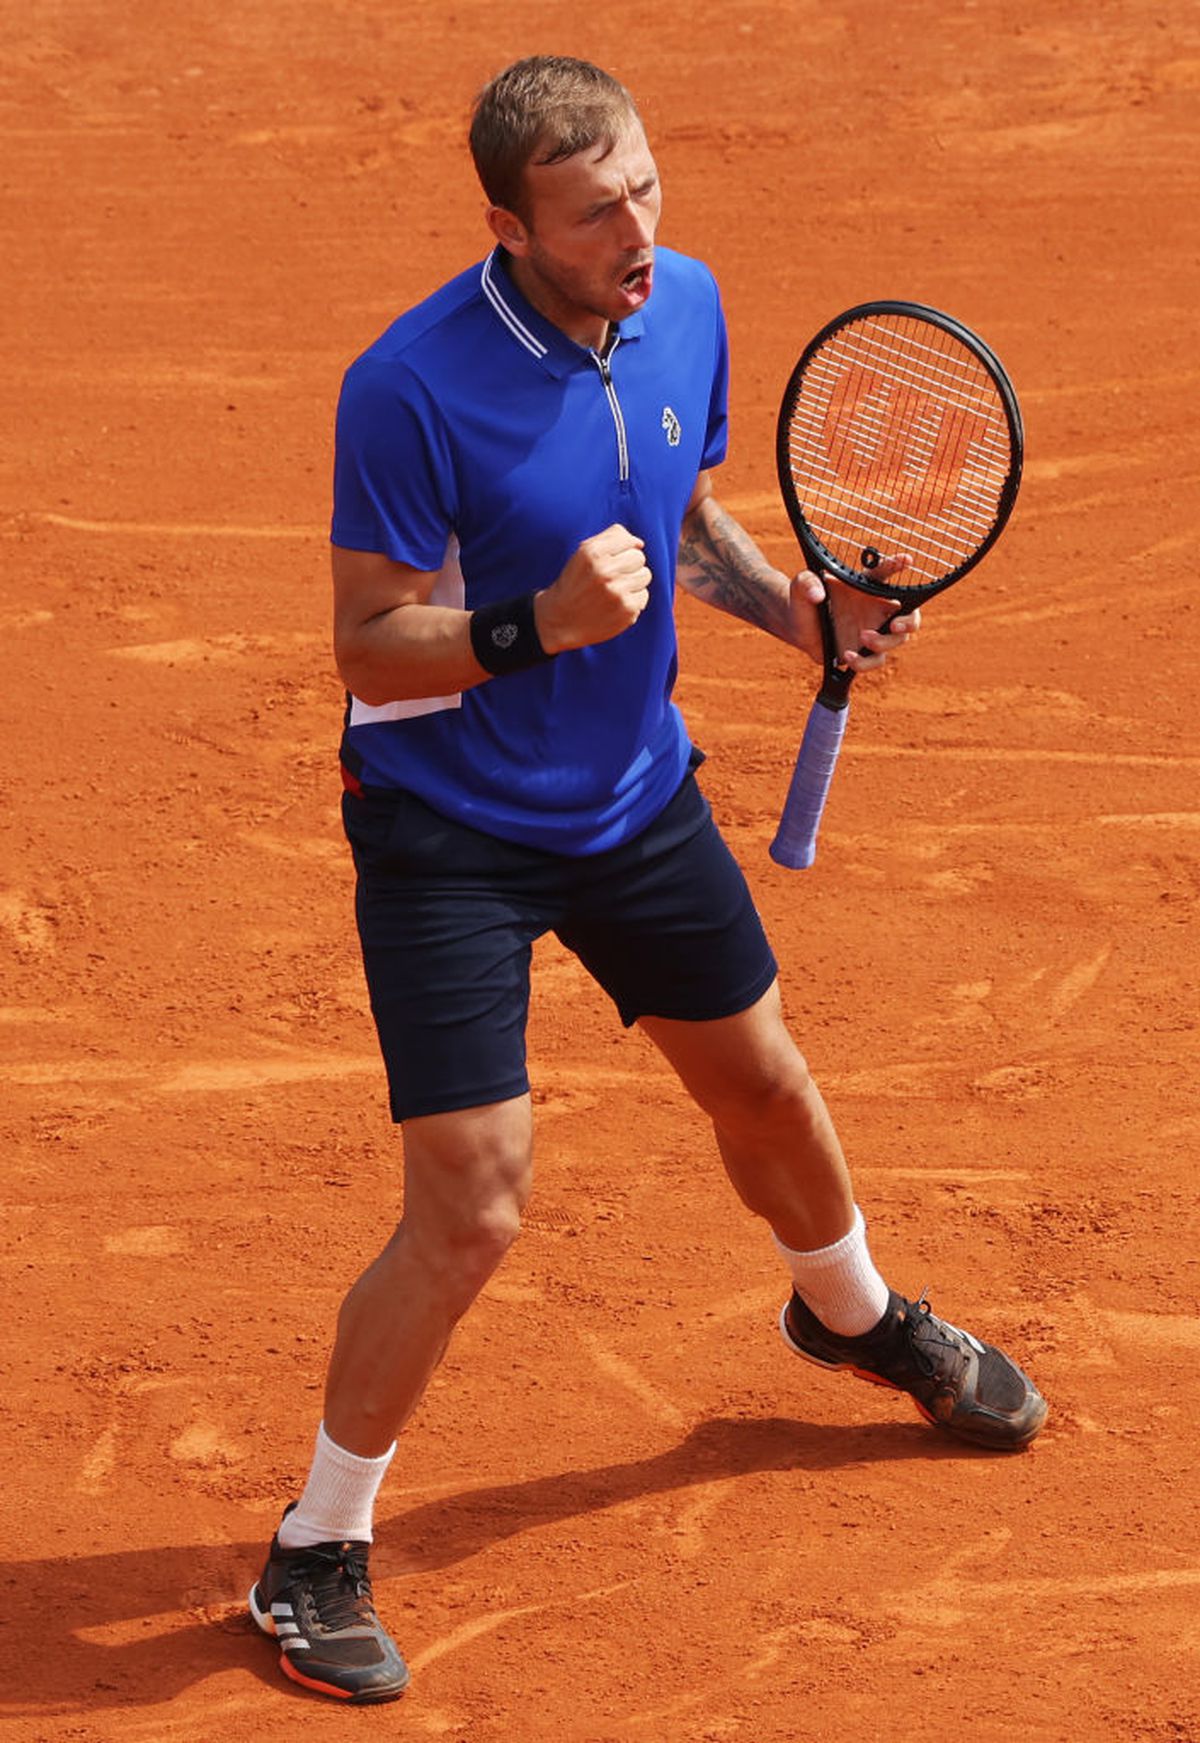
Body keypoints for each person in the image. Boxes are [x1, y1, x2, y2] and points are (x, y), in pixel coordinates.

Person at [247, 54, 1047, 1705]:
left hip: (629, 796)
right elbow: (363, 637)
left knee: (762, 1087)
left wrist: (794, 617)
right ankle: (314, 1548)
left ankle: (853, 1315)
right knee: (472, 1208)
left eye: (648, 189)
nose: (638, 229)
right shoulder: (407, 386)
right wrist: (539, 626)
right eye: (596, 210)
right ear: (507, 222)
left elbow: (677, 510)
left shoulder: (684, 305)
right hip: (445, 825)